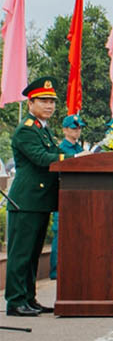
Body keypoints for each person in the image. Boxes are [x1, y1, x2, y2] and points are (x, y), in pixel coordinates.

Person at [5, 78, 66, 316]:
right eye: (44, 101)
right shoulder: (26, 130)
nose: (49, 106)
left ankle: (29, 298)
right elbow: (42, 158)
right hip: (26, 200)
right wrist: (70, 160)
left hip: (40, 200)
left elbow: (54, 152)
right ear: (30, 103)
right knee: (21, 254)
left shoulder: (43, 128)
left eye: (52, 101)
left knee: (32, 254)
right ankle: (15, 301)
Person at [48, 113, 85, 280]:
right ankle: (56, 270)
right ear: (64, 130)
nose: (77, 132)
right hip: (65, 195)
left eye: (79, 129)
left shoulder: (79, 148)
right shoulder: (62, 149)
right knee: (60, 233)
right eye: (73, 128)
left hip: (80, 196)